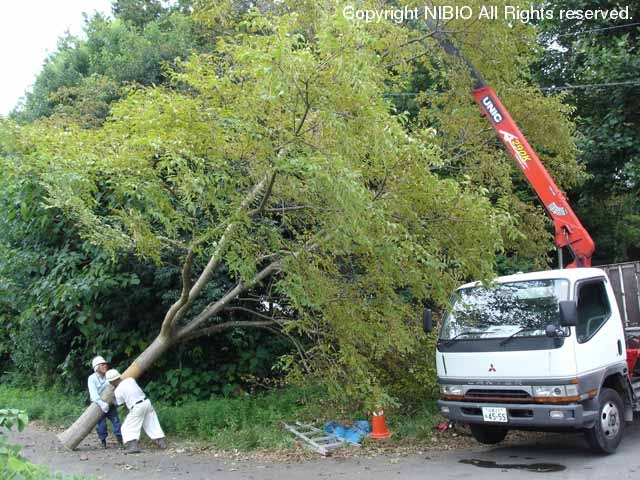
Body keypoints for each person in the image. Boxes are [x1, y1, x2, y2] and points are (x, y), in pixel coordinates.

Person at [105, 368, 167, 453]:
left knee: (126, 427)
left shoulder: (117, 391)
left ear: (111, 382)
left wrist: (112, 399)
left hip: (137, 407)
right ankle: (162, 443)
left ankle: (133, 447)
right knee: (151, 423)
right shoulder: (130, 380)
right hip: (146, 402)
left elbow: (119, 403)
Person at [88, 355, 123, 449]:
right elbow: (93, 394)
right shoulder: (92, 378)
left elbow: (114, 388)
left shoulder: (109, 375)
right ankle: (103, 442)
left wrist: (116, 401)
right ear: (96, 367)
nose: (105, 366)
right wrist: (101, 403)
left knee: (116, 422)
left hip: (110, 403)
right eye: (102, 364)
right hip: (98, 405)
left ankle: (120, 442)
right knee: (101, 425)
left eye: (105, 364)